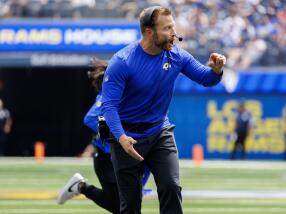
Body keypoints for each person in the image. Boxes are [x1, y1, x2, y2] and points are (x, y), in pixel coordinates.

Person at [101, 6, 226, 214]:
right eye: (167, 28)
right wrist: (121, 138)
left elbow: (206, 78)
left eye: (174, 27)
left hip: (159, 132)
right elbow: (109, 106)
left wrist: (217, 70)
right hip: (126, 139)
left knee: (171, 187)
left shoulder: (177, 55)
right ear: (150, 32)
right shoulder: (122, 62)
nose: (174, 34)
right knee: (130, 204)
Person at [56, 58, 151, 213]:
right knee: (123, 205)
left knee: (126, 203)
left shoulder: (134, 97)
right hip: (107, 158)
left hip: (128, 156)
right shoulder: (107, 96)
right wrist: (116, 136)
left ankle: (81, 187)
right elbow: (90, 119)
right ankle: (82, 187)